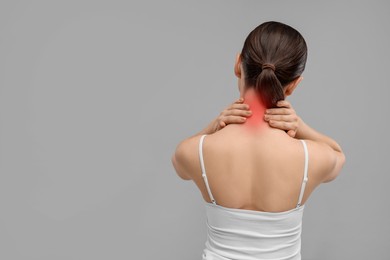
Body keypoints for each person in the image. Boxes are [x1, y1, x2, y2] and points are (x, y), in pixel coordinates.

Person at [171, 21, 345, 260]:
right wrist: (300, 126)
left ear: (237, 65)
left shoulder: (198, 150)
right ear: (293, 85)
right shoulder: (309, 157)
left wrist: (213, 126)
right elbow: (338, 155)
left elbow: (179, 164)